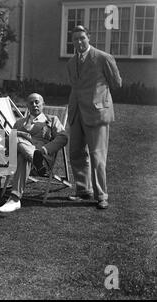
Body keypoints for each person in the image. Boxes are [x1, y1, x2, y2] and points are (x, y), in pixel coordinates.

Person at [66, 25, 122, 209]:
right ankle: (83, 190)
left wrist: (101, 98)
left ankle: (101, 195)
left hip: (97, 113)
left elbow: (116, 83)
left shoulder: (103, 58)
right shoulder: (70, 63)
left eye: (82, 38)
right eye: (75, 39)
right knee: (75, 153)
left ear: (89, 38)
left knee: (97, 157)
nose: (79, 42)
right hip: (76, 112)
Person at [0, 93, 68, 213]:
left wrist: (44, 149)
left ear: (43, 104)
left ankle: (14, 200)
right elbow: (9, 149)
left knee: (20, 150)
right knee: (16, 141)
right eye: (31, 103)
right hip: (27, 163)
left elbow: (63, 137)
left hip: (44, 160)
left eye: (37, 102)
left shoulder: (51, 120)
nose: (34, 105)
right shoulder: (19, 123)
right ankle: (34, 159)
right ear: (27, 106)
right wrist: (20, 139)